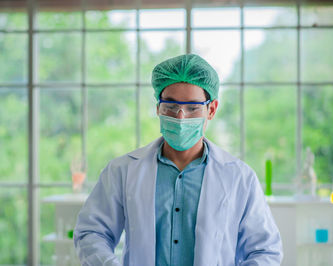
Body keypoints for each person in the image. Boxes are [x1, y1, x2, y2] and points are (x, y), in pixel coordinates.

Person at [74, 54, 283, 266]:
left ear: (211, 109)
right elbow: (92, 233)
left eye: (193, 107)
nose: (180, 117)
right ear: (158, 107)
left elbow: (265, 251)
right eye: (171, 106)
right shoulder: (123, 170)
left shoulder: (240, 177)